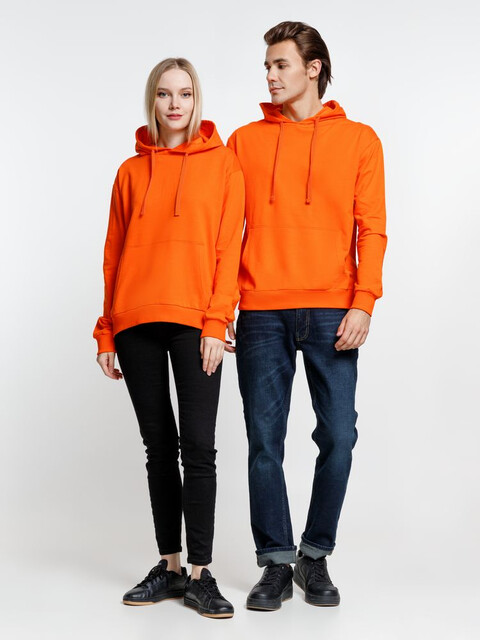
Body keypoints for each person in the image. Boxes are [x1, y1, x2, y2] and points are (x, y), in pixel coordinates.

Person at [227, 21, 387, 610]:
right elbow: (225, 232)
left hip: (332, 310)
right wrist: (221, 308)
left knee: (339, 436)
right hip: (261, 311)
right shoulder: (243, 142)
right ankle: (275, 561)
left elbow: (372, 229)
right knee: (263, 442)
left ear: (313, 68)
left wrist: (364, 300)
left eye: (281, 65)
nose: (270, 76)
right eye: (267, 66)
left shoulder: (360, 140)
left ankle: (314, 555)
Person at [93, 57, 244, 619]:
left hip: (195, 322)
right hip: (135, 321)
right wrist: (106, 330)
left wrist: (216, 321)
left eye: (184, 93)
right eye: (164, 94)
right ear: (152, 101)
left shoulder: (223, 165)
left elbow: (228, 249)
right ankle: (170, 565)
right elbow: (113, 255)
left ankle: (202, 574)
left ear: (196, 100)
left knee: (198, 447)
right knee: (158, 448)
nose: (175, 104)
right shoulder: (130, 172)